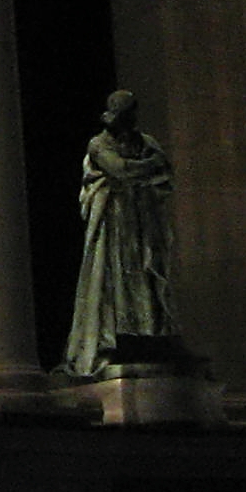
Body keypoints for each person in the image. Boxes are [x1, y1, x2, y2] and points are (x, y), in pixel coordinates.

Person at [61, 90, 175, 378]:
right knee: (115, 279)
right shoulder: (99, 144)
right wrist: (144, 170)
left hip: (142, 222)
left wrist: (139, 171)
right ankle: (117, 334)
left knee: (146, 278)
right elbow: (120, 169)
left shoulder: (145, 142)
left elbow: (164, 170)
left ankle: (147, 331)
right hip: (114, 222)